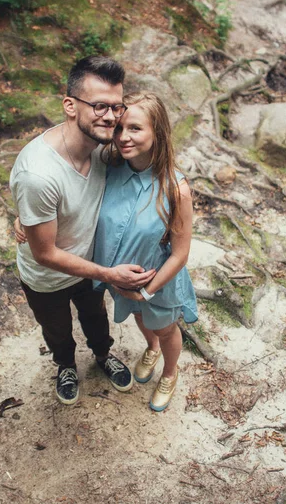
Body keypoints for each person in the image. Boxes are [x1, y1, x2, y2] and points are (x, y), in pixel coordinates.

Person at [9, 56, 155, 406]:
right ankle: (65, 366)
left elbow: (151, 155)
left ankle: (103, 356)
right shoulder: (39, 174)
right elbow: (44, 252)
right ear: (70, 106)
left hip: (88, 267)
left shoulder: (106, 150)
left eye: (117, 107)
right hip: (46, 276)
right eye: (100, 106)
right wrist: (109, 274)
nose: (110, 116)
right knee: (57, 329)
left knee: (96, 318)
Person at [93, 92, 198, 412]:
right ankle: (150, 348)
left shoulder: (175, 190)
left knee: (166, 328)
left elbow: (181, 254)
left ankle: (169, 372)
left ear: (157, 132)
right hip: (119, 278)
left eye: (135, 129)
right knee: (139, 318)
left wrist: (148, 291)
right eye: (120, 128)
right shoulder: (109, 167)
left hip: (158, 282)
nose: (123, 137)